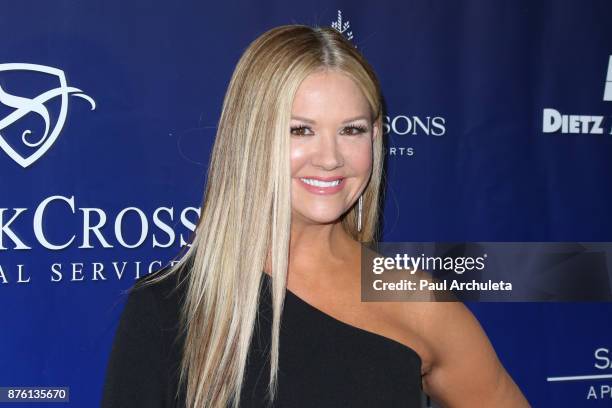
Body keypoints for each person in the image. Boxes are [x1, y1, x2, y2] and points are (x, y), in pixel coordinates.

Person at [102, 24, 530, 408]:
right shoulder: (170, 308)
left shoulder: (412, 300)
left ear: (376, 137)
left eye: (352, 130)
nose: (330, 158)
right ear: (251, 137)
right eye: (300, 130)